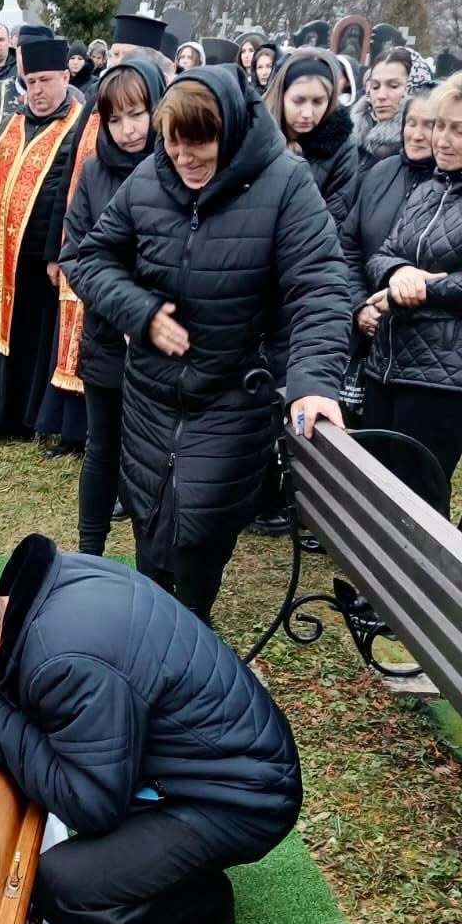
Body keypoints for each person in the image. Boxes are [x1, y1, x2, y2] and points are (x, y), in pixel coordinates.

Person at [0, 538, 302, 924]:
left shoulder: (63, 662)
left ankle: (204, 907)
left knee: (59, 885)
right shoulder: (53, 582)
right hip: (217, 760)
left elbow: (91, 807)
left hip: (242, 800)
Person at [68, 66, 350, 620]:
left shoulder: (285, 183)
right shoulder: (150, 178)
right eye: (173, 143)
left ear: (232, 131)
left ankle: (191, 627)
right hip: (151, 392)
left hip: (233, 393)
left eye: (199, 143)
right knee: (149, 516)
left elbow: (320, 287)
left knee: (200, 532)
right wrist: (142, 312)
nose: (185, 157)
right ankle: (151, 628)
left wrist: (314, 381)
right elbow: (89, 256)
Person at [58, 59, 168, 556]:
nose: (128, 130)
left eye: (138, 114)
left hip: (165, 339)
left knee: (152, 455)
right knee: (101, 447)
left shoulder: (177, 170)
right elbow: (75, 256)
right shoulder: (95, 172)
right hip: (106, 334)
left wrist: (150, 312)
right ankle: (89, 551)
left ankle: (155, 557)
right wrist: (120, 309)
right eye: (115, 118)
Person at [0, 37, 86, 436]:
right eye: (31, 81)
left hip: (40, 256)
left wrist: (56, 252)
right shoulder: (11, 123)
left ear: (65, 78)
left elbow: (68, 197)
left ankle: (25, 417)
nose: (38, 90)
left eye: (45, 80)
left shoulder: (76, 127)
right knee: (0, 333)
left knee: (32, 337)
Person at [360, 73, 462, 512]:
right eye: (441, 126)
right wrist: (398, 272)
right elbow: (382, 253)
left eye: (459, 130)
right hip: (387, 363)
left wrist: (414, 290)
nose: (443, 140)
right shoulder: (427, 189)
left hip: (442, 377)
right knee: (373, 491)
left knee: (416, 501)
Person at [340, 87, 436, 424]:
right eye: (411, 123)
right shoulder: (381, 172)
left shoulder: (448, 190)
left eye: (429, 125)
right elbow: (349, 245)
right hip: (368, 339)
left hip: (424, 356)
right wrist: (360, 306)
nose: (417, 134)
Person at [264, 48, 359, 226]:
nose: (307, 113)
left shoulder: (341, 149)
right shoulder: (257, 136)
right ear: (281, 96)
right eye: (298, 101)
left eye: (318, 102)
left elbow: (335, 216)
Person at [0, 24, 53, 148]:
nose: (29, 60)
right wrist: (11, 129)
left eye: (37, 54)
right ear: (16, 55)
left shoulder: (69, 95)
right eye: (23, 53)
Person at [352, 47, 431, 170]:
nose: (381, 96)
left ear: (415, 88)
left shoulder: (421, 150)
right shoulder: (351, 141)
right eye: (375, 86)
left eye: (393, 86)